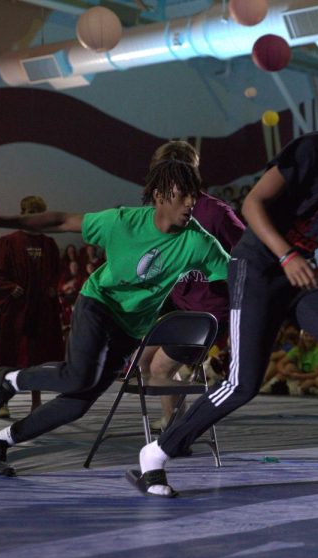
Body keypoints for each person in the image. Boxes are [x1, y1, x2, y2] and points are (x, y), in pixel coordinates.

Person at [132, 70, 318, 505]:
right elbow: (253, 202)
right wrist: (287, 254)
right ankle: (156, 452)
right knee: (244, 383)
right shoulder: (313, 149)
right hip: (258, 267)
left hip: (296, 276)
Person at [0, 159, 230, 477]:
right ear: (160, 195)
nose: (191, 202)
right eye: (183, 194)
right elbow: (63, 220)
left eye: (195, 195)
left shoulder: (198, 241)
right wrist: (2, 220)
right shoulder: (123, 222)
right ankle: (10, 379)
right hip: (98, 304)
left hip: (131, 327)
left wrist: (284, 268)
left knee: (76, 404)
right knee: (77, 377)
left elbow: (237, 273)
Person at [134, 141, 245, 432]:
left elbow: (247, 254)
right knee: (141, 361)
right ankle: (176, 420)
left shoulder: (216, 213)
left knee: (159, 367)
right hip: (182, 311)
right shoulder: (159, 213)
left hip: (210, 312)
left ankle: (177, 429)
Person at [0, 196, 65, 415]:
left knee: (37, 358)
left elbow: (57, 272)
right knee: (7, 356)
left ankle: (36, 403)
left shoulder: (48, 244)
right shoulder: (8, 242)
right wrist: (9, 288)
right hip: (15, 310)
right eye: (31, 214)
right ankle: (2, 402)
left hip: (40, 310)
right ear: (23, 213)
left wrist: (52, 287)